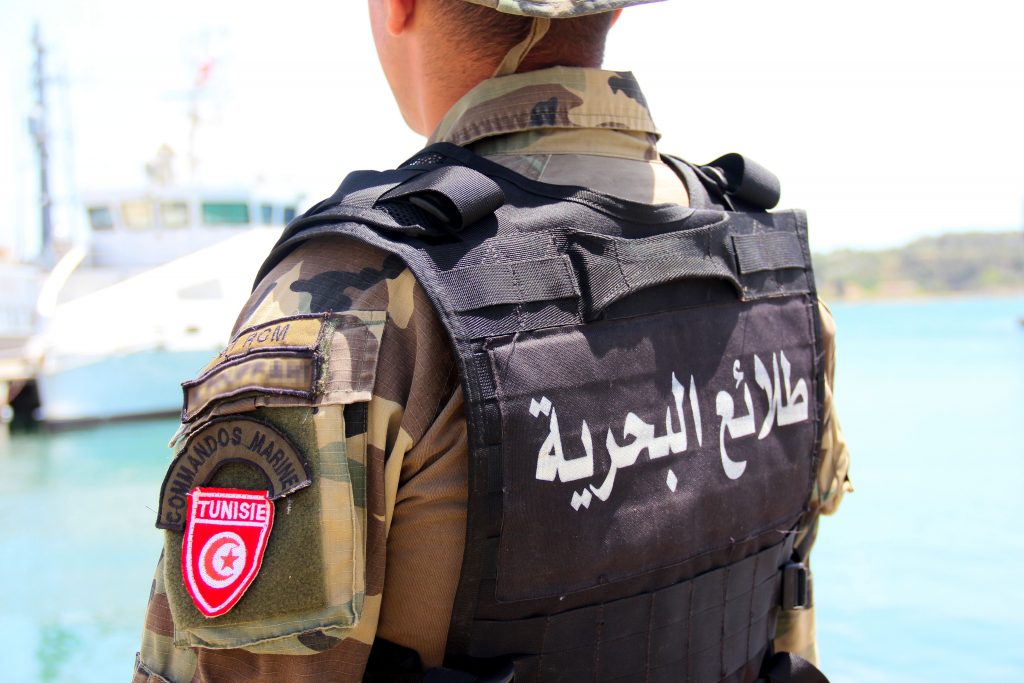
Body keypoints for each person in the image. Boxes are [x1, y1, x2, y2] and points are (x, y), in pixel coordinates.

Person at [134, 1, 851, 681]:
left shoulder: (361, 293)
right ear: (613, 8)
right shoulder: (776, 277)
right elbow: (786, 621)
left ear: (399, 6)